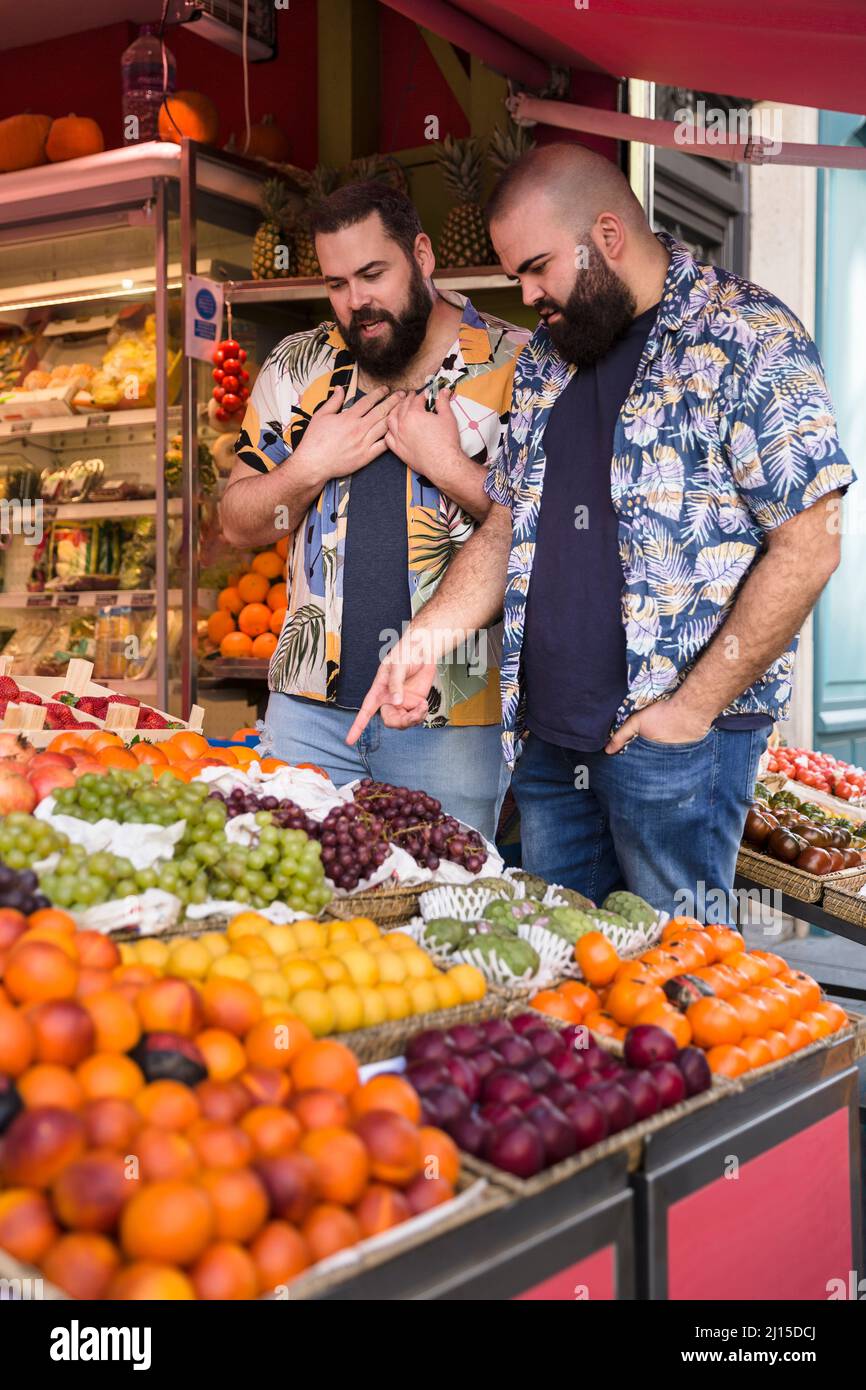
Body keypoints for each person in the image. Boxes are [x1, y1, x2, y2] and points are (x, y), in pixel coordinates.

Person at [347, 143, 855, 920]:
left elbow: (812, 539)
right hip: (549, 742)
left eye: (539, 267)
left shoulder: (747, 334)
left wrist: (689, 710)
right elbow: (511, 526)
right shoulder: (547, 360)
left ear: (608, 235)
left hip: (677, 746)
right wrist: (424, 640)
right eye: (517, 273)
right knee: (570, 986)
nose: (527, 293)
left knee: (682, 991)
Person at [221, 181, 528, 840]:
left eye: (372, 274)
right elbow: (237, 522)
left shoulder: (518, 368)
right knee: (294, 917)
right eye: (336, 283)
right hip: (306, 718)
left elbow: (549, 536)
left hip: (453, 724)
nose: (356, 302)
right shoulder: (297, 366)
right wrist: (309, 466)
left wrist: (446, 465)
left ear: (421, 255)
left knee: (446, 917)